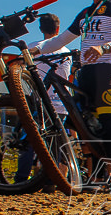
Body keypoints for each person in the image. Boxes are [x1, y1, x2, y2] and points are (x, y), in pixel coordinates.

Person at [31, 0, 111, 187]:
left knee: (110, 121)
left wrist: (104, 47)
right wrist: (35, 49)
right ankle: (88, 175)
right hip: (86, 73)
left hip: (108, 68)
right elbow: (60, 40)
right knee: (76, 123)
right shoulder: (85, 14)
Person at [17, 13, 73, 183]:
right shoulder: (66, 52)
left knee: (29, 141)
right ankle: (51, 180)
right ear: (58, 28)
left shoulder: (33, 48)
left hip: (37, 102)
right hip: (60, 103)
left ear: (40, 29)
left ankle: (21, 179)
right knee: (55, 144)